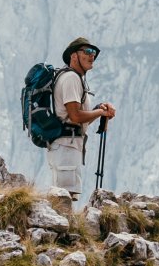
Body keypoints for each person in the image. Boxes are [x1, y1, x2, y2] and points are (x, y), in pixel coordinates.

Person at [47, 37, 116, 202]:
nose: (92, 56)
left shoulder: (73, 78)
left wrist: (97, 110)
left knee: (67, 196)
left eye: (94, 53)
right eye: (87, 51)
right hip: (66, 148)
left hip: (68, 146)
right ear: (74, 56)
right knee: (63, 197)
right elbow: (75, 116)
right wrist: (100, 112)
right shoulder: (71, 78)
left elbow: (78, 120)